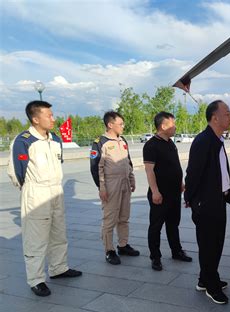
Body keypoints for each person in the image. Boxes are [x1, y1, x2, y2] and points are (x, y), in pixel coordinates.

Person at [7, 101, 82, 297]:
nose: (53, 119)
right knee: (36, 239)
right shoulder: (23, 141)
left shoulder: (55, 139)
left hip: (55, 191)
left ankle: (59, 268)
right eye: (49, 115)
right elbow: (16, 173)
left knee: (58, 233)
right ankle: (36, 279)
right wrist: (31, 189)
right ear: (35, 119)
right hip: (36, 192)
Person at [184, 100, 230, 305]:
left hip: (217, 200)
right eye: (227, 113)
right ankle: (211, 286)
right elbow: (192, 173)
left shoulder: (216, 139)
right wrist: (190, 199)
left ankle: (205, 279)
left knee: (215, 243)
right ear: (215, 118)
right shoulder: (203, 141)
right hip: (206, 203)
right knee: (209, 245)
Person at [143, 111, 192, 271]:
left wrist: (181, 182)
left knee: (173, 224)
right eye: (172, 124)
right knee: (156, 226)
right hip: (160, 194)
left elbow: (175, 165)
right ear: (163, 126)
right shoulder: (151, 145)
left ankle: (176, 251)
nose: (175, 126)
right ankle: (155, 257)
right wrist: (155, 191)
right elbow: (149, 171)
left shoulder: (171, 143)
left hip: (174, 192)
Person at [90, 111, 139, 265]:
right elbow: (95, 167)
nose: (123, 126)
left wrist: (131, 178)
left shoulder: (122, 140)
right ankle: (109, 250)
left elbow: (128, 161)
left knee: (124, 217)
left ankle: (123, 245)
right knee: (110, 219)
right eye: (120, 124)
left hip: (124, 182)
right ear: (110, 125)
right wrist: (101, 187)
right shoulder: (100, 142)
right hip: (110, 184)